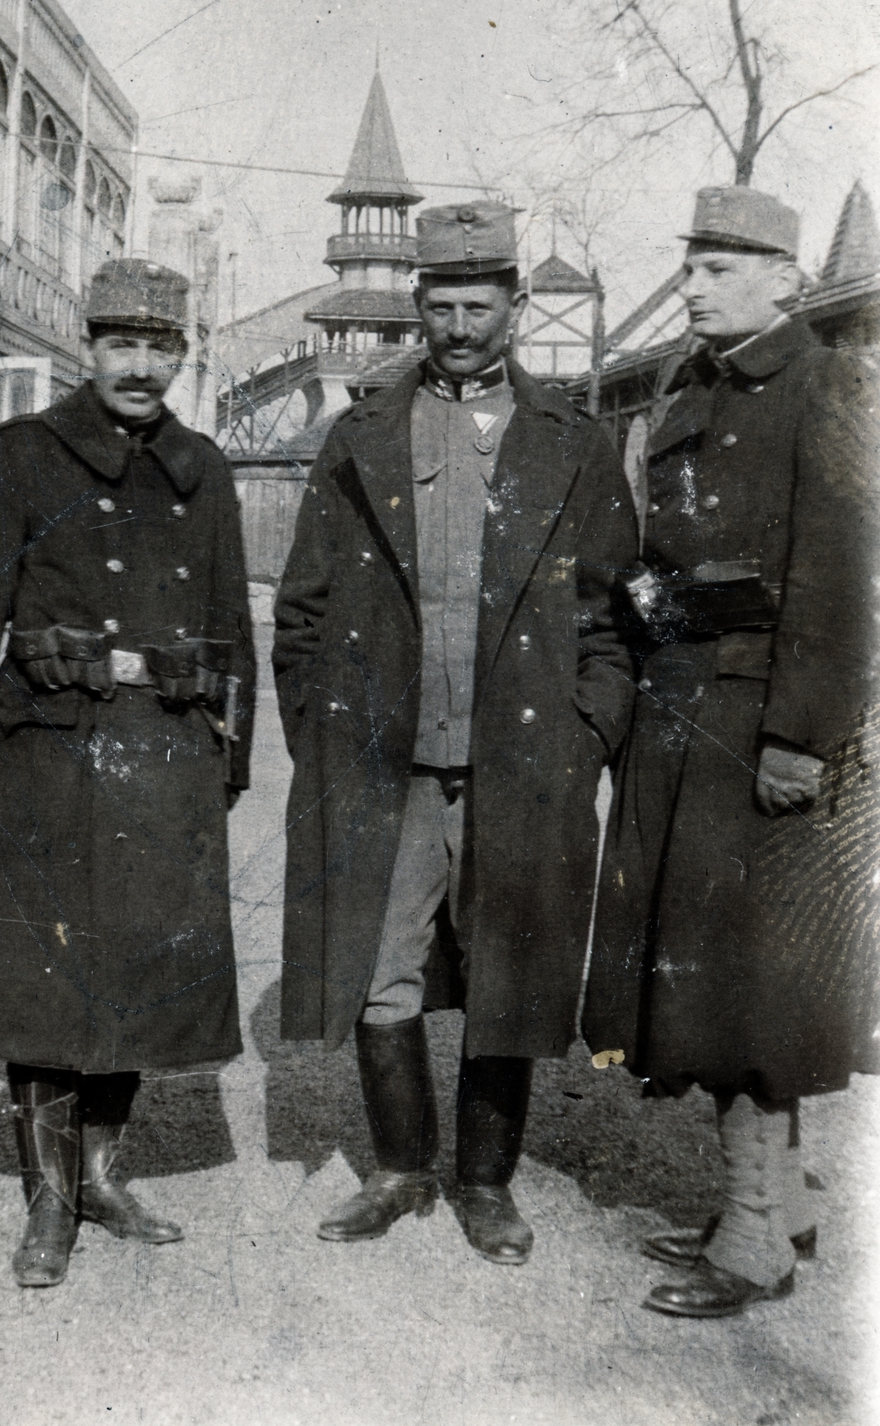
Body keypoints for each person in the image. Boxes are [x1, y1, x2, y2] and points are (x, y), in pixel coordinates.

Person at [272, 201, 636, 1262]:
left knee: (508, 964)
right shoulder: (361, 435)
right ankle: (399, 1167)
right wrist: (323, 735)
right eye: (442, 304)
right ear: (418, 308)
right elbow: (303, 608)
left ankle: (484, 1182)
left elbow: (615, 612)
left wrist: (586, 738)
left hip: (523, 764)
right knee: (380, 966)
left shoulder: (573, 443)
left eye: (481, 304)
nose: (461, 325)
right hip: (390, 765)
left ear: (516, 306)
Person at [0, 259, 255, 1288]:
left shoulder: (204, 468)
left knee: (142, 974)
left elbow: (230, 629)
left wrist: (227, 760)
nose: (141, 366)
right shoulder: (18, 456)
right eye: (122, 343)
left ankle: (103, 1173)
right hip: (46, 759)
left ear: (183, 354)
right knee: (42, 984)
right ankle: (49, 1202)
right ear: (87, 346)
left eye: (161, 346)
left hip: (164, 756)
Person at [583, 187, 879, 1318]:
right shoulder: (690, 388)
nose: (694, 283)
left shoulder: (829, 388)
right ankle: (778, 1202)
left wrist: (801, 738)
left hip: (762, 733)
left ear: (783, 279)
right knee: (720, 984)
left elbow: (843, 585)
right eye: (692, 265)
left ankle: (757, 1235)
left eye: (719, 266)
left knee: (752, 995)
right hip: (686, 719)